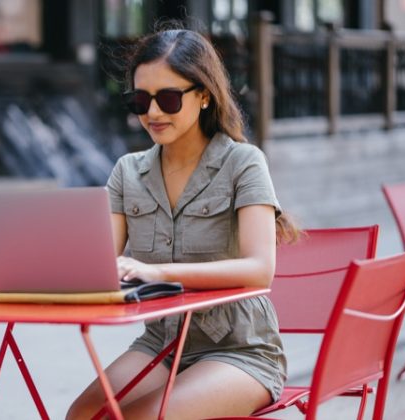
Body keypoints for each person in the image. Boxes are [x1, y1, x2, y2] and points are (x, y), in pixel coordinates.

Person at [67, 25, 298, 419]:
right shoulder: (128, 171)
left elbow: (261, 271)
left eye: (168, 98)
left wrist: (155, 270)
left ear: (204, 95)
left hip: (239, 351)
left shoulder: (243, 163)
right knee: (83, 415)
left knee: (143, 418)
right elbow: (101, 269)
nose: (152, 113)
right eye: (141, 100)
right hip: (161, 344)